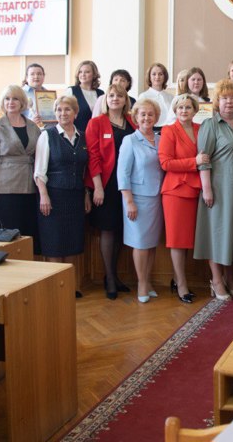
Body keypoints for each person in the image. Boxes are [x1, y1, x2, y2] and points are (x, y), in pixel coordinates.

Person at [195, 79, 233, 300]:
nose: (229, 102)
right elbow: (203, 160)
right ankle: (216, 280)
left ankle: (230, 278)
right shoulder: (210, 126)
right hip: (218, 188)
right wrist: (207, 189)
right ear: (217, 101)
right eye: (224, 98)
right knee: (216, 234)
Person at [34, 95, 90, 298]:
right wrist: (44, 196)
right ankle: (55, 290)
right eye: (59, 110)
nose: (62, 113)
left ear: (75, 113)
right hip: (53, 196)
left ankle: (69, 286)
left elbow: (85, 170)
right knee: (55, 244)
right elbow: (39, 171)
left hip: (75, 195)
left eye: (67, 109)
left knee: (72, 243)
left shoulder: (82, 136)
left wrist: (85, 194)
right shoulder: (47, 136)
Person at [86, 84, 136, 300]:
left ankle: (114, 276)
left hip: (127, 185)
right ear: (105, 99)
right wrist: (97, 187)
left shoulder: (132, 123)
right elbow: (93, 156)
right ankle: (109, 278)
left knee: (119, 230)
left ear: (126, 100)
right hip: (105, 185)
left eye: (120, 96)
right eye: (111, 95)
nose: (115, 98)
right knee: (107, 230)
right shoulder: (96, 122)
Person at [158, 94, 208, 303]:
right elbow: (165, 163)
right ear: (175, 110)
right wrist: (193, 162)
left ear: (195, 110)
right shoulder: (169, 130)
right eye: (180, 107)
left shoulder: (201, 129)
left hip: (197, 189)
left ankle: (179, 279)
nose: (184, 111)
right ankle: (181, 284)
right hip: (176, 192)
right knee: (178, 241)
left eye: (188, 107)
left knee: (189, 240)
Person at [0, 85, 41, 251]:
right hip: (5, 188)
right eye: (7, 99)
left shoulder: (32, 126)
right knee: (7, 235)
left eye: (15, 98)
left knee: (28, 233)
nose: (11, 102)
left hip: (30, 186)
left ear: (22, 102)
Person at [118, 99, 165, 303]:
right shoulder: (130, 140)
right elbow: (123, 173)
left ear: (156, 117)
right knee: (140, 243)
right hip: (136, 198)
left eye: (150, 114)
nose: (147, 118)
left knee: (151, 243)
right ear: (135, 117)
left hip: (157, 197)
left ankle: (148, 280)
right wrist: (129, 201)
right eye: (143, 114)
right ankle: (141, 283)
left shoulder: (161, 139)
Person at [64, 60, 103, 134]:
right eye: (80, 72)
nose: (83, 74)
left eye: (87, 72)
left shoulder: (101, 93)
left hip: (97, 134)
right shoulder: (71, 91)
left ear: (94, 74)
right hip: (78, 134)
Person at [21, 62, 48, 128]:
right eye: (32, 74)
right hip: (28, 130)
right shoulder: (20, 93)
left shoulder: (48, 94)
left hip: (46, 131)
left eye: (39, 74)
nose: (36, 76)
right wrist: (30, 122)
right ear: (27, 78)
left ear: (43, 76)